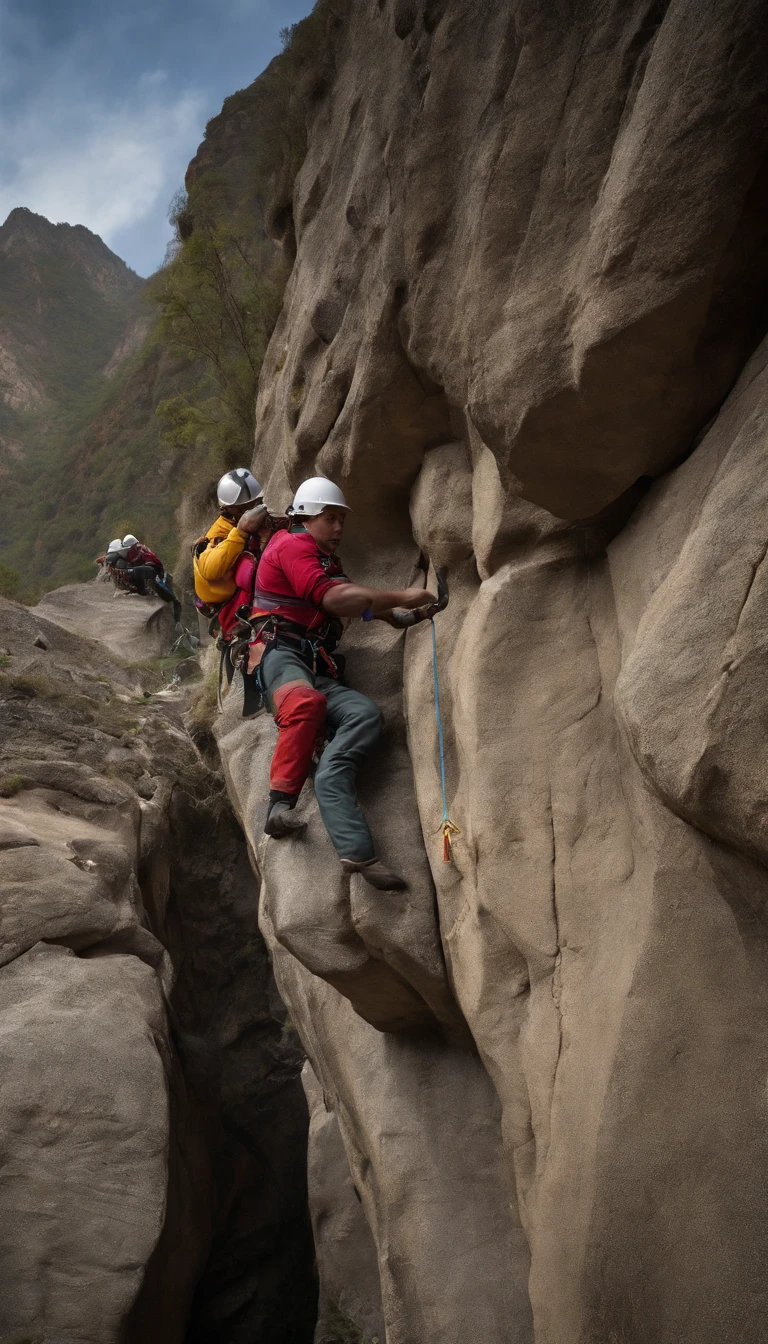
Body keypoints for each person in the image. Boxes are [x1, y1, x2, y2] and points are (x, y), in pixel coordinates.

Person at [250, 476, 437, 891]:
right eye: (330, 519)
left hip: (315, 664)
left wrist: (391, 616)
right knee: (306, 703)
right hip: (281, 656)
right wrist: (403, 597)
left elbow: (350, 602)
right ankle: (278, 807)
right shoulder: (292, 545)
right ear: (307, 518)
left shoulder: (324, 561)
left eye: (341, 521)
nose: (338, 528)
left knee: (365, 714)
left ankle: (355, 845)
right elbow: (333, 600)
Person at [193, 468, 271, 614]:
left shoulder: (258, 520)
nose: (251, 511)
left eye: (255, 504)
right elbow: (210, 569)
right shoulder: (219, 533)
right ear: (228, 509)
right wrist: (240, 533)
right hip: (226, 602)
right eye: (243, 508)